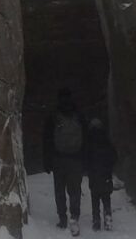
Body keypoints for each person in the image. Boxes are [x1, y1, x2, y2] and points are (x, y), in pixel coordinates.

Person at [43, 88, 88, 236]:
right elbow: (87, 138)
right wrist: (85, 158)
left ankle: (62, 218)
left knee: (59, 190)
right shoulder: (79, 115)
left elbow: (47, 139)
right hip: (75, 159)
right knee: (75, 190)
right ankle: (74, 217)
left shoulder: (54, 116)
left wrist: (47, 160)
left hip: (58, 159)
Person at [86, 118, 116, 232]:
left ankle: (96, 220)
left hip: (94, 176)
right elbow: (114, 157)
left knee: (95, 199)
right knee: (106, 197)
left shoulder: (89, 142)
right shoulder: (106, 141)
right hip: (106, 175)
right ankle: (108, 216)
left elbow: (86, 159)